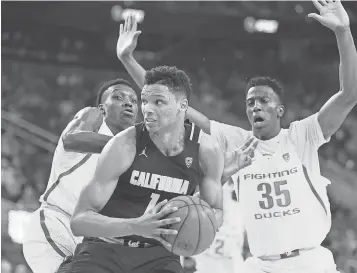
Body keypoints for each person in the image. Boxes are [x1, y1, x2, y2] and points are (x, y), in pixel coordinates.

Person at [117, 1, 357, 272]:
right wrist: (128, 59)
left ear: (280, 110)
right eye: (250, 102)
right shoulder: (235, 139)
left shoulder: (303, 135)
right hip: (260, 264)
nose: (255, 105)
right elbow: (174, 109)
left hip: (310, 262)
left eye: (263, 100)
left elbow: (348, 94)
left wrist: (343, 32)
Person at [57, 65, 254, 273]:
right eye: (144, 101)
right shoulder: (124, 144)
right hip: (104, 249)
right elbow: (79, 221)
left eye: (158, 102)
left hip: (159, 257)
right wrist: (136, 226)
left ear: (182, 105)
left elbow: (212, 209)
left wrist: (202, 225)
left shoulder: (206, 150)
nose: (147, 109)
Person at [22, 78, 139, 273]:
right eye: (118, 97)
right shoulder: (92, 117)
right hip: (56, 222)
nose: (128, 102)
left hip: (90, 240)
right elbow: (72, 140)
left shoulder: (133, 154)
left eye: (134, 101)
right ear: (102, 108)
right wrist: (131, 147)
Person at [182, 182, 245, 273]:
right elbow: (183, 254)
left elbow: (251, 250)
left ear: (231, 186)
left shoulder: (242, 211)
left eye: (222, 183)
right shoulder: (196, 211)